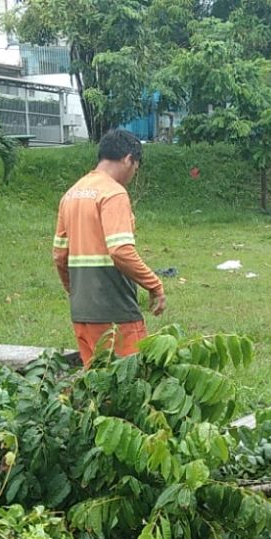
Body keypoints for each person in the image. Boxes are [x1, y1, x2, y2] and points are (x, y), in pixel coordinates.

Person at [52, 129, 166, 365]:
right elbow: (120, 251)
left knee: (96, 384)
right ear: (128, 159)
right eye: (136, 166)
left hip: (82, 312)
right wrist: (154, 284)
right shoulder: (113, 193)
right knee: (128, 384)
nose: (134, 173)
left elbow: (60, 256)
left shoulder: (71, 194)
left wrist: (75, 292)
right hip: (115, 311)